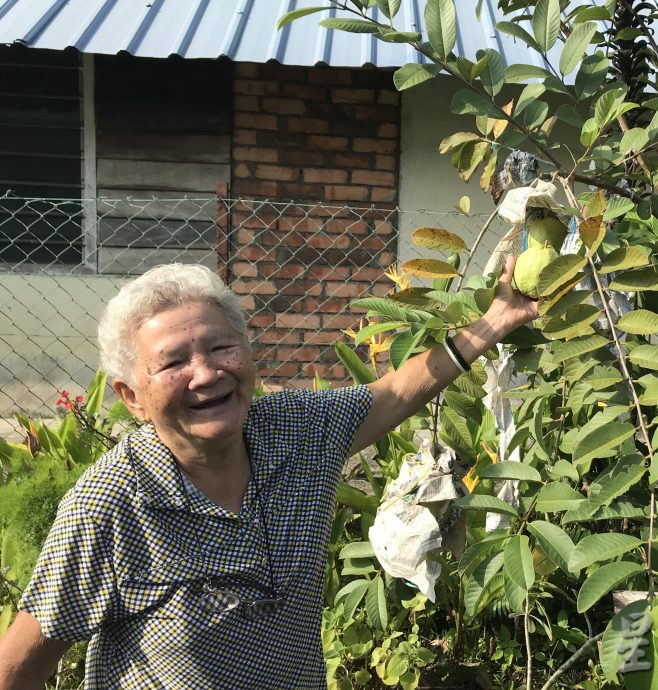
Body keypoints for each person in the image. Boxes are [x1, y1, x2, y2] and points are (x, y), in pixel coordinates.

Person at [0, 258, 537, 689]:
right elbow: (17, 668)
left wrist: (495, 321)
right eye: (173, 363)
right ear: (132, 398)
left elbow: (394, 394)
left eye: (220, 346)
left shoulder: (295, 431)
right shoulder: (110, 507)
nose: (207, 374)